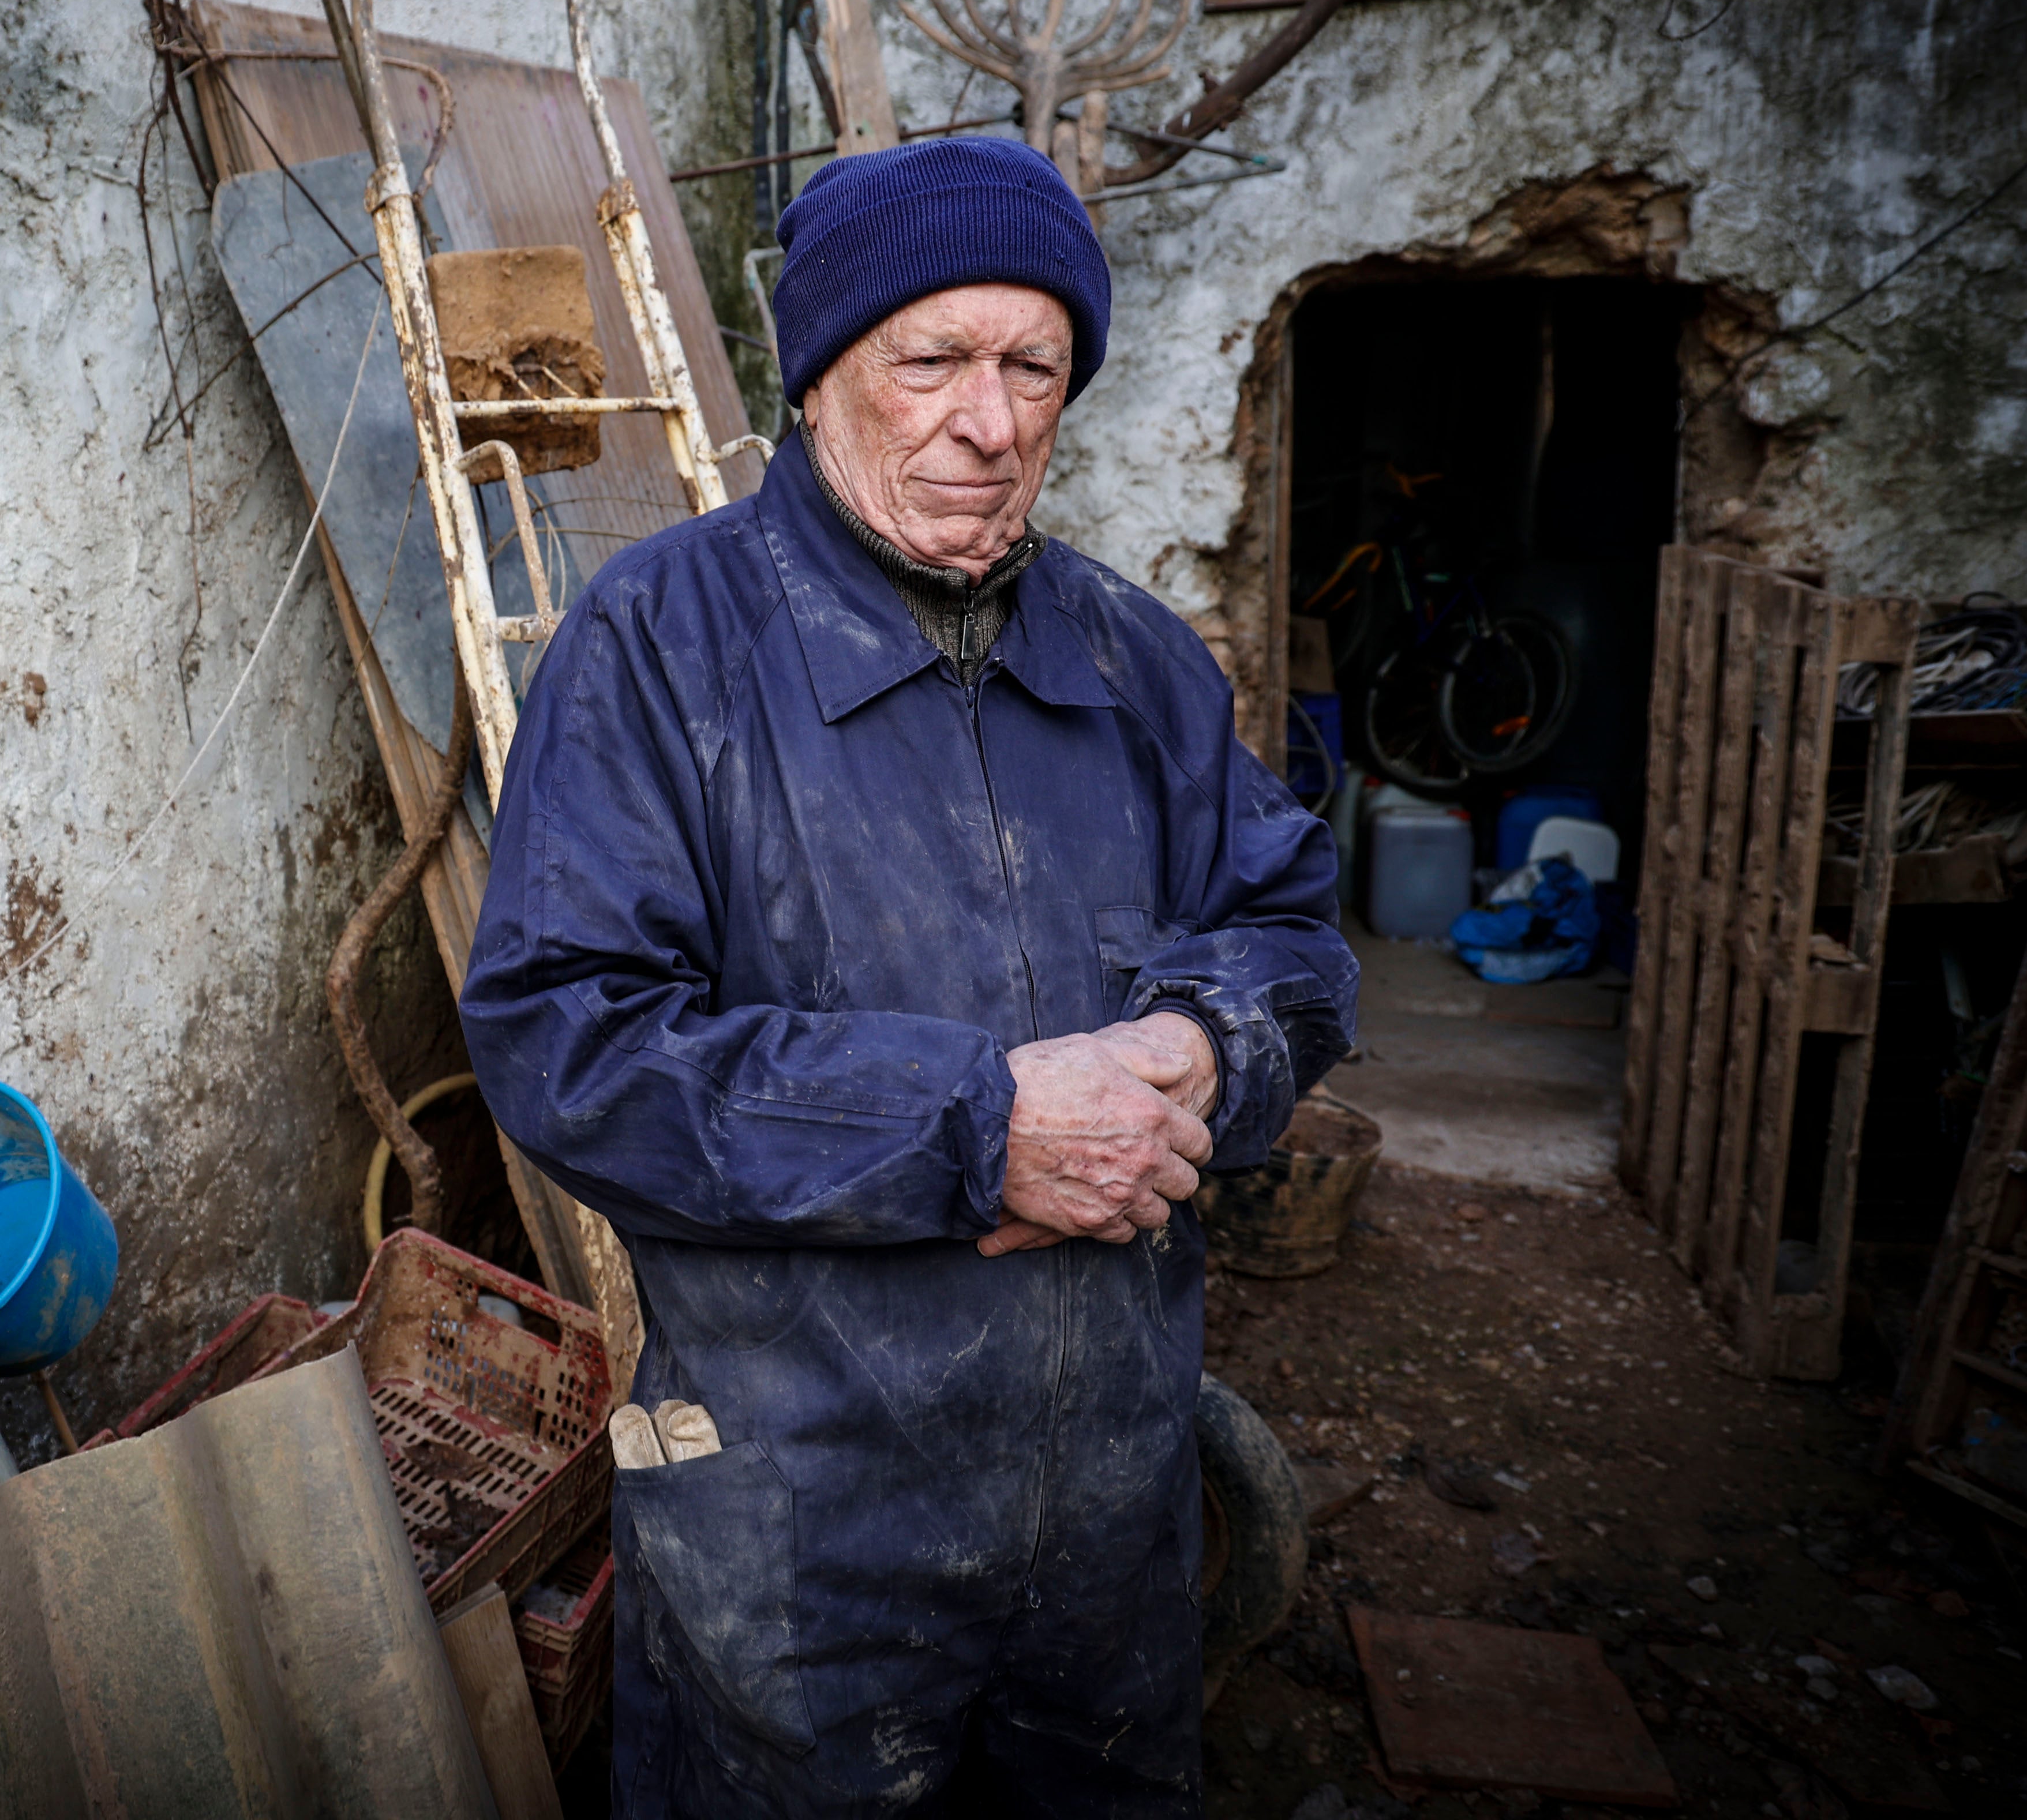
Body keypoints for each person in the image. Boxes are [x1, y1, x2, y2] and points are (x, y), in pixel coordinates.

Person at [459, 136, 1357, 1815]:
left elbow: (1290, 933)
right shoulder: (663, 645)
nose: (993, 420)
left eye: (1035, 366)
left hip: (1115, 1516)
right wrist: (975, 1125)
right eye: (931, 360)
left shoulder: (1136, 658)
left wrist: (1211, 1051)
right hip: (803, 1531)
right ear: (820, 383)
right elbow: (567, 1037)